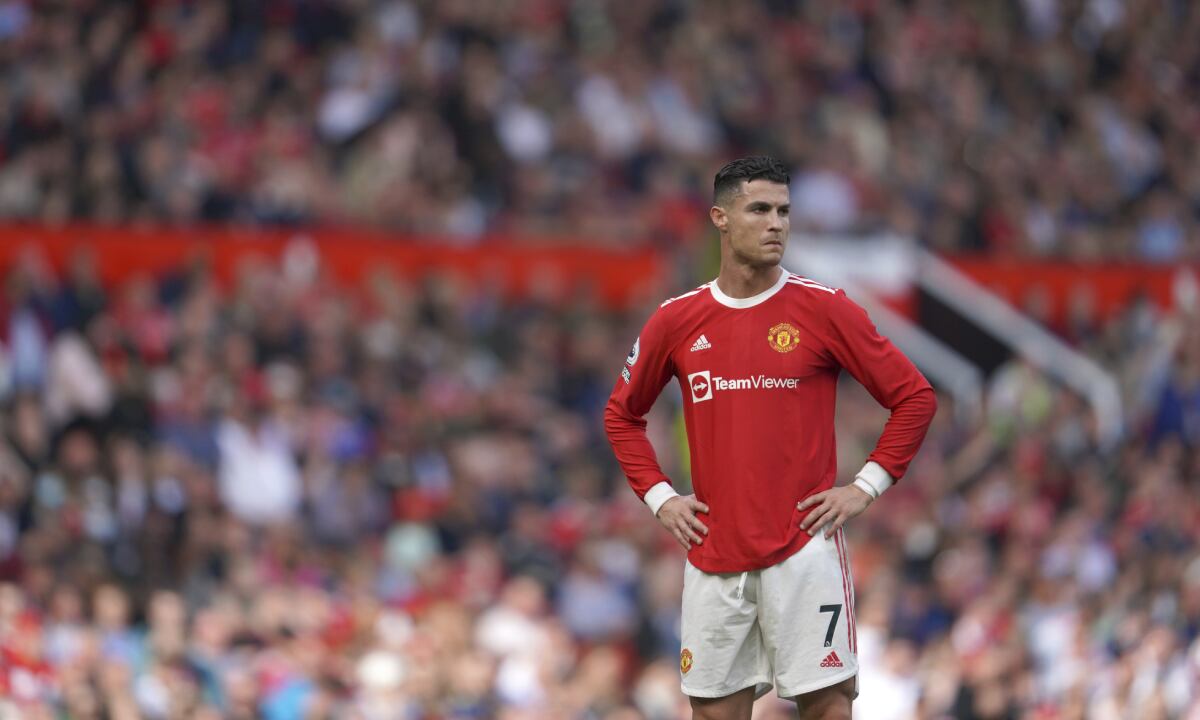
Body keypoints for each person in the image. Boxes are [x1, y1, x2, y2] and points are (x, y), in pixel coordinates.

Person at [604, 156, 937, 720]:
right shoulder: (676, 320)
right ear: (721, 219)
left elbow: (914, 397)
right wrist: (661, 499)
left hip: (804, 549)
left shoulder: (825, 309)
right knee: (713, 712)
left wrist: (865, 487)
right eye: (759, 209)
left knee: (829, 705)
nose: (776, 222)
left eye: (784, 210)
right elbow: (621, 416)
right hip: (714, 553)